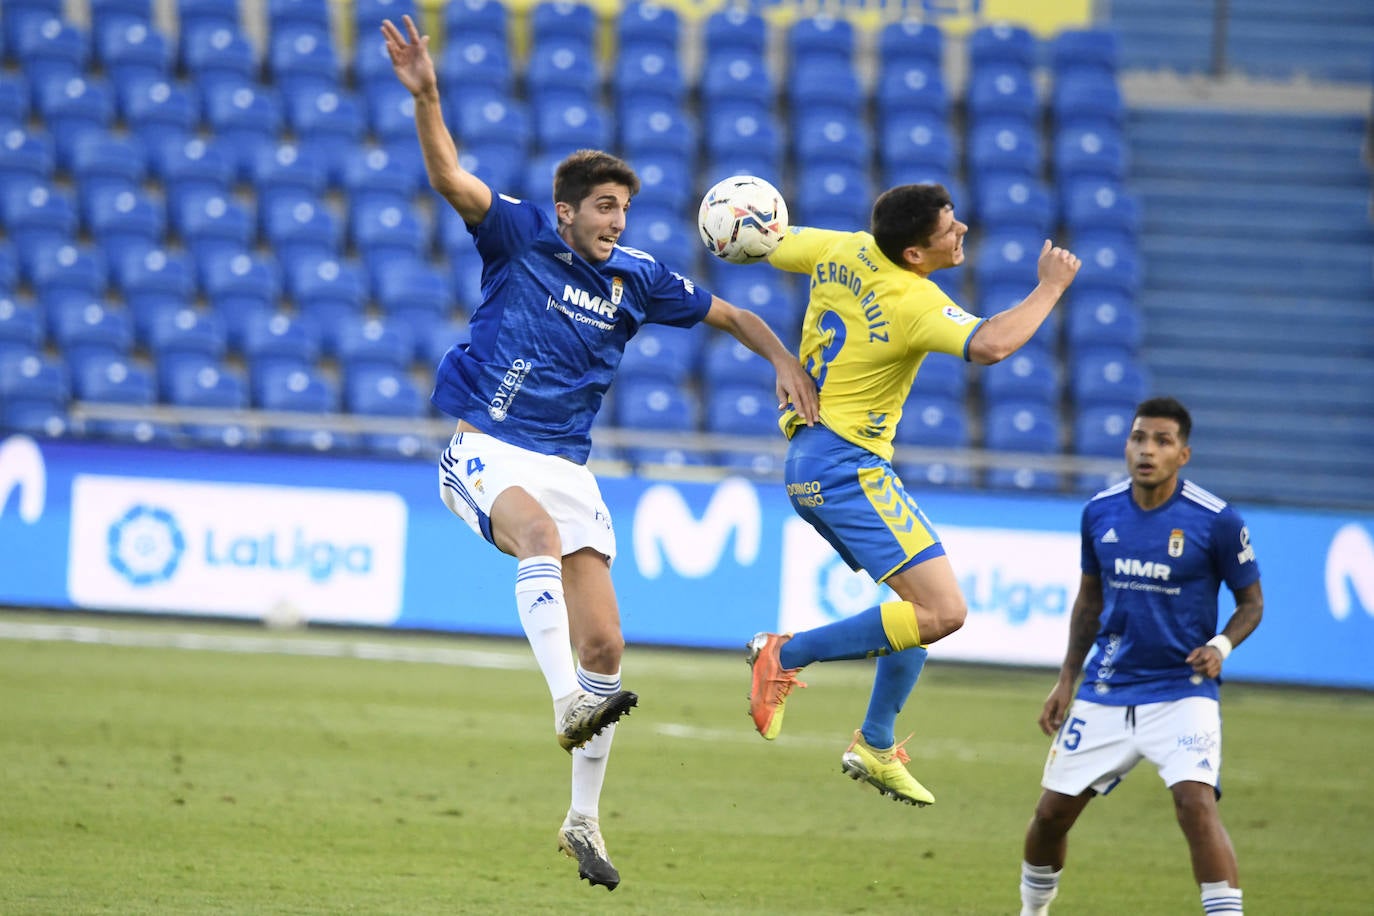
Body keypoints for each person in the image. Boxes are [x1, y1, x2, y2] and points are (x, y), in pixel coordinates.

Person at [381, 15, 818, 892]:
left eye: (624, 208)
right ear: (567, 212)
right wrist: (427, 97)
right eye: (604, 207)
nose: (617, 220)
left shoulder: (639, 277)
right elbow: (449, 176)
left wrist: (783, 360)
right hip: (487, 448)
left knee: (609, 647)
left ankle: (582, 816)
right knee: (539, 544)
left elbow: (732, 314)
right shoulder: (518, 237)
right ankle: (565, 702)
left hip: (567, 466)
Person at [745, 183, 1081, 807]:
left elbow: (768, 242)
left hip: (813, 459)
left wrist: (734, 224)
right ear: (914, 254)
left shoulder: (840, 249)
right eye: (949, 228)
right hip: (847, 466)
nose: (963, 231)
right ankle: (786, 653)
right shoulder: (914, 300)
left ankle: (875, 742)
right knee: (944, 612)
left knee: (918, 609)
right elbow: (992, 344)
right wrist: (1051, 287)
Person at [1017, 396, 1263, 916]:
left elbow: (1252, 603)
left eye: (1162, 441)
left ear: (1183, 455)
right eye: (1138, 438)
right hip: (1108, 688)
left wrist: (1220, 645)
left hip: (1182, 691)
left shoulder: (1217, 520)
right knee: (1051, 816)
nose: (1147, 450)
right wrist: (1066, 679)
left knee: (1195, 803)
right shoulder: (1099, 511)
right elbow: (1089, 602)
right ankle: (1033, 911)